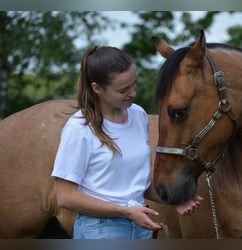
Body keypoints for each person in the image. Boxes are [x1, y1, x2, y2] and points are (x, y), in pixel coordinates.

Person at [51, 45, 203, 239]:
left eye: (134, 85)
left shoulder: (138, 115)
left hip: (140, 228)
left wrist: (175, 200)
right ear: (97, 88)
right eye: (123, 90)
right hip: (98, 231)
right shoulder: (79, 129)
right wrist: (125, 212)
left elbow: (138, 183)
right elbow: (65, 197)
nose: (133, 93)